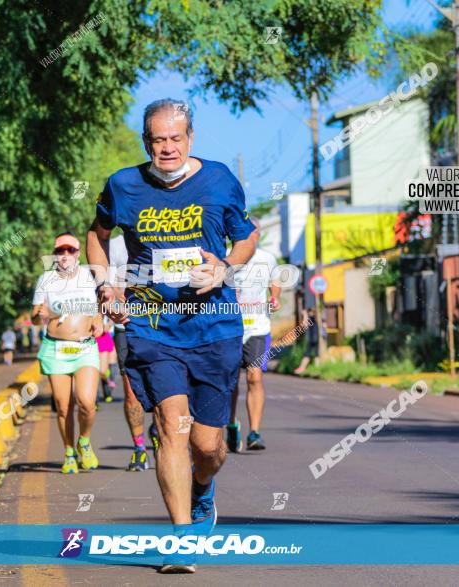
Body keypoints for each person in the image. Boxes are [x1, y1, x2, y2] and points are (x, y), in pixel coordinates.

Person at [87, 98, 257, 573]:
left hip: (214, 327)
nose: (166, 148)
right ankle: (182, 538)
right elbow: (97, 235)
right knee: (169, 426)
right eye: (157, 139)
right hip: (152, 325)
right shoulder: (123, 185)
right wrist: (106, 284)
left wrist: (226, 267)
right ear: (146, 141)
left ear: (190, 138)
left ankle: (204, 489)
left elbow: (246, 235)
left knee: (207, 446)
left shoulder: (220, 178)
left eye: (175, 138)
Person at [32, 232, 103, 474]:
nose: (64, 256)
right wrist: (40, 315)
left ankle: (85, 440)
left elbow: (101, 305)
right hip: (56, 348)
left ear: (77, 253)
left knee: (87, 402)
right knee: (63, 407)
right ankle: (69, 452)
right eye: (60, 251)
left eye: (69, 251)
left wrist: (100, 320)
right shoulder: (46, 279)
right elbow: (35, 316)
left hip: (84, 348)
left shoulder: (89, 276)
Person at [226, 218, 281, 452]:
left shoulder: (267, 259)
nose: (252, 235)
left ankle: (254, 432)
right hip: (230, 328)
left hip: (258, 327)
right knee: (230, 382)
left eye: (256, 232)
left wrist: (274, 298)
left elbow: (275, 282)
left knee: (254, 377)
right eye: (247, 231)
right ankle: (230, 424)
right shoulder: (227, 256)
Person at [108, 234, 155, 472]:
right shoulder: (115, 245)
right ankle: (139, 449)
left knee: (164, 387)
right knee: (131, 391)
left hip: (160, 324)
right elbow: (110, 287)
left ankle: (160, 432)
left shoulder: (163, 234)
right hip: (126, 326)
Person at [95, 316, 117, 403]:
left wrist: (108, 325)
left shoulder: (103, 304)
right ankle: (94, 400)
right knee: (94, 370)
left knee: (103, 371)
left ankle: (108, 382)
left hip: (103, 338)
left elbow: (112, 315)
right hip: (89, 339)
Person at [294, 308, 319, 374]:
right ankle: (317, 369)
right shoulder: (315, 318)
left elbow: (304, 324)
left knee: (307, 354)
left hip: (311, 339)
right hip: (316, 339)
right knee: (316, 354)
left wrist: (305, 315)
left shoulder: (310, 318)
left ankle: (302, 368)